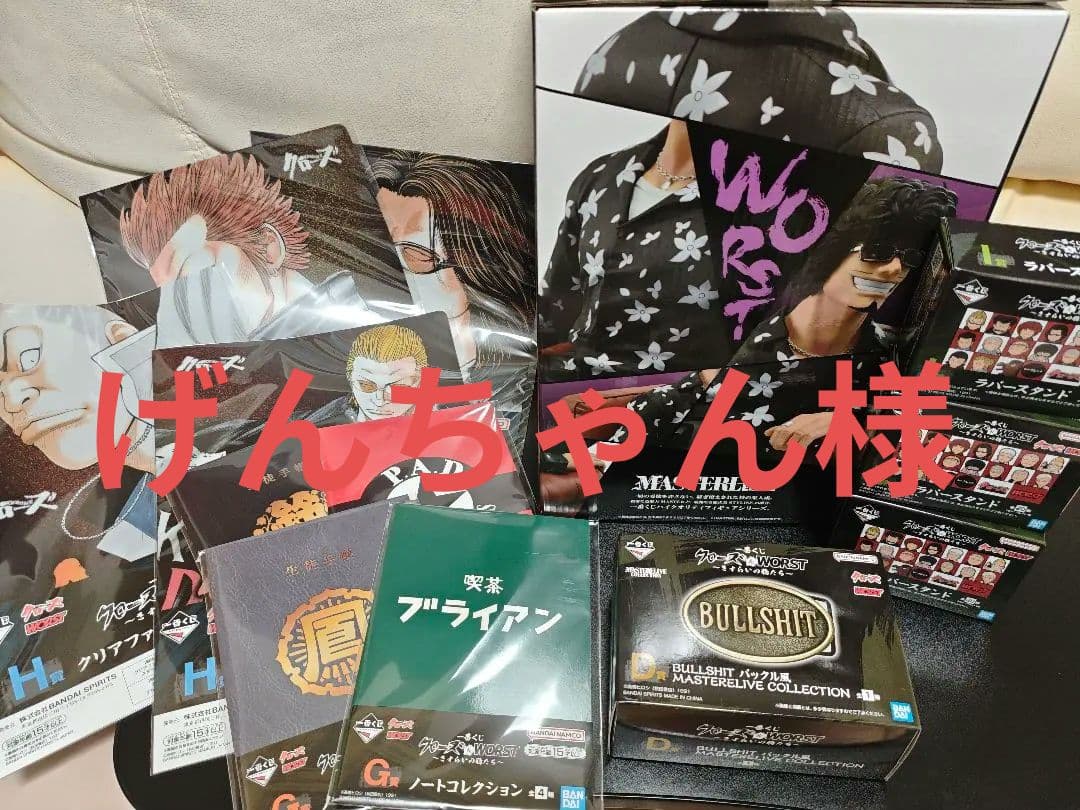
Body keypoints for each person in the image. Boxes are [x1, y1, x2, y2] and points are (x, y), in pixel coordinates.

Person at [366, 149, 536, 449]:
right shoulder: (364, 372)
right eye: (377, 252)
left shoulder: (518, 387)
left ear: (475, 263)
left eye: (414, 254)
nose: (388, 275)